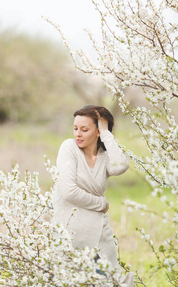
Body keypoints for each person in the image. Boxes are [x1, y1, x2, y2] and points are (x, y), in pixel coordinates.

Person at [53, 105, 134, 286]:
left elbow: (121, 165)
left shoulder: (105, 157)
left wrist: (105, 133)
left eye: (84, 129)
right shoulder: (69, 148)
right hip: (71, 233)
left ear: (97, 131)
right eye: (75, 128)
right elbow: (68, 192)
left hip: (99, 233)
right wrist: (100, 203)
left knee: (112, 280)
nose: (78, 134)